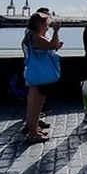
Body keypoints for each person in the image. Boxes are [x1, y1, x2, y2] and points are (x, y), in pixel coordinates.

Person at [22, 11, 62, 143]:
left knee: (35, 103)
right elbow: (53, 45)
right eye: (46, 24)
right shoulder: (35, 37)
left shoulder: (30, 35)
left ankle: (33, 128)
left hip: (33, 72)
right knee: (36, 104)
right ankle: (33, 133)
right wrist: (56, 32)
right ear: (39, 24)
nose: (48, 27)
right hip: (39, 74)